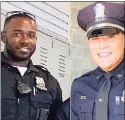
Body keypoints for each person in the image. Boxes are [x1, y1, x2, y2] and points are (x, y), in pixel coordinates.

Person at [1, 11, 62, 120]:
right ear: (4, 37)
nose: (25, 41)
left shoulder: (50, 82)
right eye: (17, 34)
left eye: (31, 35)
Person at [71, 2, 124, 120]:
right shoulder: (80, 86)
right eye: (95, 38)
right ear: (88, 43)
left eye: (110, 36)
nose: (102, 45)